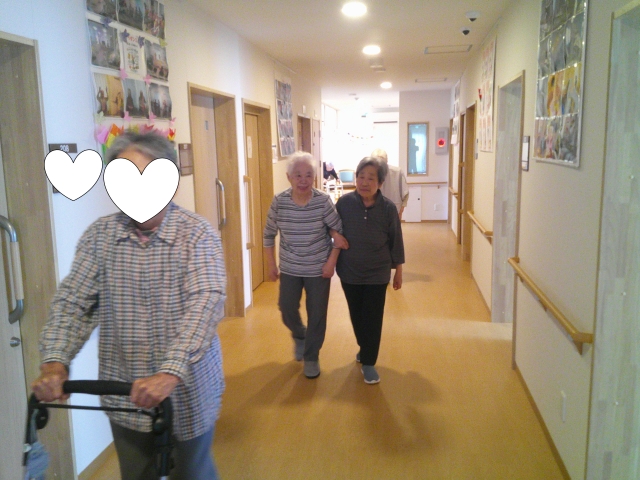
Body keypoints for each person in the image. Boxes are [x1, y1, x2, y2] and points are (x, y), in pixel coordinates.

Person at [31, 132, 226, 480]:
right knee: (137, 473)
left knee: (193, 472)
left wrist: (169, 373)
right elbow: (73, 303)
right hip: (124, 389)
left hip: (188, 390)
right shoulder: (100, 236)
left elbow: (205, 304)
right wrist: (55, 363)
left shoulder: (197, 234)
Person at [263, 152, 348, 379]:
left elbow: (338, 232)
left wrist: (331, 263)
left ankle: (311, 356)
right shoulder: (279, 202)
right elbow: (268, 234)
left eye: (308, 175)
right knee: (287, 308)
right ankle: (300, 334)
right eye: (298, 175)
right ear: (289, 177)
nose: (303, 180)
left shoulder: (322, 201)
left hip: (318, 268)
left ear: (314, 177)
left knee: (317, 315)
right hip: (290, 267)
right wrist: (271, 264)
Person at [335, 157, 404, 385]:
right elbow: (332, 229)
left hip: (377, 272)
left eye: (371, 178)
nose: (364, 182)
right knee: (356, 315)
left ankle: (368, 362)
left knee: (373, 317)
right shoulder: (344, 203)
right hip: (349, 271)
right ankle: (365, 348)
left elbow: (396, 240)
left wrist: (398, 271)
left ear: (380, 182)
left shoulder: (388, 208)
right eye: (361, 177)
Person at [371, 148, 409, 220]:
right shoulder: (369, 172)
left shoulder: (397, 172)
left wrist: (401, 210)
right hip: (375, 211)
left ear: (387, 161)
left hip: (394, 210)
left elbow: (405, 193)